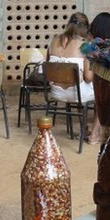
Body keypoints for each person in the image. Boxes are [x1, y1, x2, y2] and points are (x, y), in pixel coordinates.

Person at [47, 12, 98, 143]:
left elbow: (48, 65)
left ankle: (83, 127)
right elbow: (88, 77)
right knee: (101, 94)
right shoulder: (85, 45)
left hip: (56, 93)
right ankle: (95, 135)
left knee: (77, 83)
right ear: (86, 28)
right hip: (76, 94)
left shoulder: (54, 41)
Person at [87, 12, 110, 143]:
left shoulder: (88, 42)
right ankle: (94, 134)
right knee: (105, 91)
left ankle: (91, 131)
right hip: (92, 85)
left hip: (80, 85)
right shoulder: (105, 48)